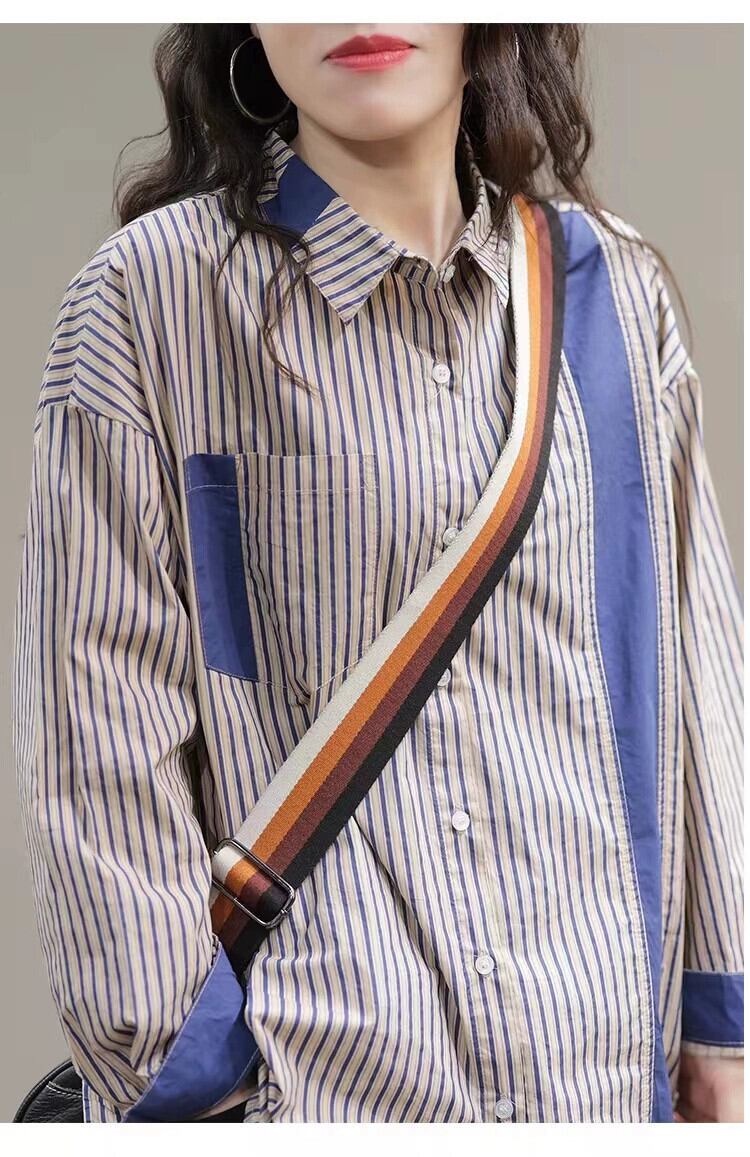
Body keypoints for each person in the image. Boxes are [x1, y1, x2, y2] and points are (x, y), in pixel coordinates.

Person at [12, 23, 742, 1124]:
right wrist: (199, 1094)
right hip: (322, 1100)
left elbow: (701, 686)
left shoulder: (613, 295)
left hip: (599, 1091)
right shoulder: (145, 305)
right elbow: (95, 749)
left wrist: (724, 1033)